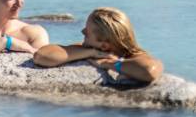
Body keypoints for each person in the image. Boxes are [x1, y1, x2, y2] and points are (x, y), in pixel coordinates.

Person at [33, 7, 163, 83]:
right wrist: (91, 53)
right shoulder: (90, 49)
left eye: (87, 32)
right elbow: (41, 56)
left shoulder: (136, 55)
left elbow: (149, 71)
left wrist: (110, 64)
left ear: (105, 46)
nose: (82, 31)